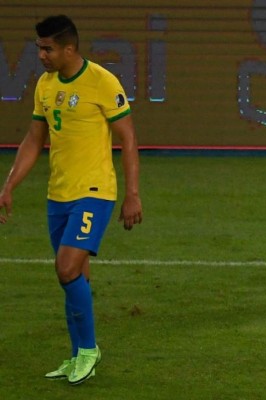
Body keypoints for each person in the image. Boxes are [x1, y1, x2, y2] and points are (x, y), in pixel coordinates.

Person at [0, 15, 142, 384]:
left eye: (47, 48)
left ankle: (90, 349)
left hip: (94, 192)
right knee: (74, 277)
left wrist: (133, 195)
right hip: (57, 195)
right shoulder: (45, 86)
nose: (42, 55)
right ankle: (78, 354)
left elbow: (127, 138)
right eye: (39, 49)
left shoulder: (101, 81)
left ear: (69, 48)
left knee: (65, 268)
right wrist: (9, 185)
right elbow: (34, 139)